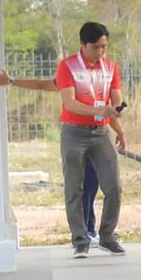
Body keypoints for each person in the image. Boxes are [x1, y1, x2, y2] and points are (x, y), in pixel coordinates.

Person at [0, 58, 102, 240]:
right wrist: (12, 81)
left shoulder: (103, 80)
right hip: (75, 136)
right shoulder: (69, 80)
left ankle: (89, 228)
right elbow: (40, 84)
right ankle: (84, 231)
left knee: (92, 184)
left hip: (98, 136)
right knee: (80, 186)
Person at [52, 21, 125, 256]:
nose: (101, 52)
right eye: (96, 47)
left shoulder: (110, 67)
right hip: (74, 132)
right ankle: (80, 240)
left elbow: (116, 97)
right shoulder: (67, 67)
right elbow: (70, 103)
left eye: (104, 47)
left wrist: (118, 114)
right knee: (74, 187)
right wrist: (100, 109)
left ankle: (107, 236)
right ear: (83, 45)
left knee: (114, 186)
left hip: (102, 132)